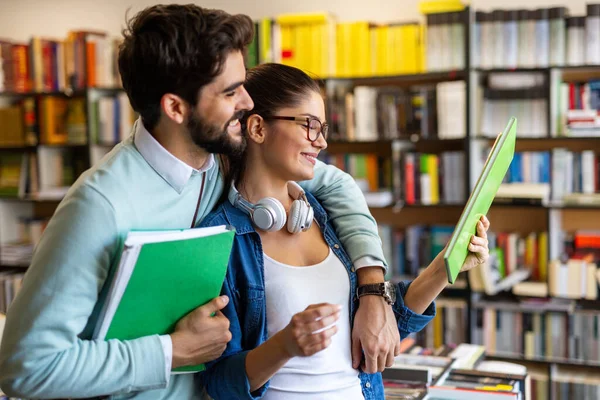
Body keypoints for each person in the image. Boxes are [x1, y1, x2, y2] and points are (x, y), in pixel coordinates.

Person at [0, 5, 403, 400]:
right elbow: (28, 367)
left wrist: (371, 290)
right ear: (176, 107)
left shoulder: (224, 157)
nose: (247, 103)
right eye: (230, 92)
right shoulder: (99, 206)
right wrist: (171, 351)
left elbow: (337, 185)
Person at [197, 63, 491, 400]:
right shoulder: (217, 239)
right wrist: (284, 346)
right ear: (258, 128)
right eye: (308, 125)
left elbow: (379, 331)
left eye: (322, 127)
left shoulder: (327, 217)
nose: (320, 141)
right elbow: (219, 383)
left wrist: (445, 266)